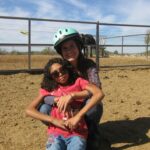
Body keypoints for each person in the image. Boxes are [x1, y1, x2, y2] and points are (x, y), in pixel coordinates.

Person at [39, 27, 103, 147]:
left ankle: (91, 133)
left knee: (95, 106)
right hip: (64, 105)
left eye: (72, 46)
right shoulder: (60, 68)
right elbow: (46, 93)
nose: (69, 51)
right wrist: (56, 100)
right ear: (61, 52)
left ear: (78, 46)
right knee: (44, 109)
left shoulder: (89, 65)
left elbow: (97, 88)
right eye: (65, 48)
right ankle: (58, 132)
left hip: (82, 105)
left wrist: (72, 95)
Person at [26, 58, 104, 150]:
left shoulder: (78, 82)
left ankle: (92, 137)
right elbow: (29, 110)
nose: (60, 74)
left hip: (77, 133)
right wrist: (53, 120)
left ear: (68, 69)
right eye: (55, 74)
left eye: (62, 70)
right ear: (51, 76)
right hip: (56, 134)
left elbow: (99, 93)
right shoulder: (48, 88)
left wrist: (78, 116)